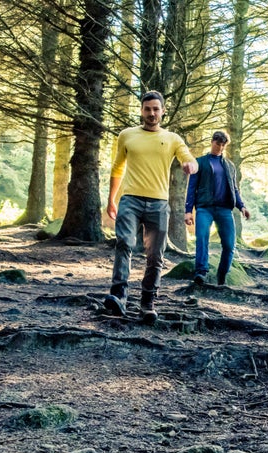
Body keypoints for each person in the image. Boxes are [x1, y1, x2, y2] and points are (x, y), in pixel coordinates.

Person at [103, 91, 199, 321]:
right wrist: (111, 199)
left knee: (155, 255)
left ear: (163, 111)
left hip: (158, 204)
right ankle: (119, 296)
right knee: (124, 243)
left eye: (156, 109)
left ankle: (148, 302)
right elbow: (117, 168)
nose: (152, 113)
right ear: (141, 110)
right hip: (130, 200)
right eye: (148, 109)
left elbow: (188, 158)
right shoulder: (127, 135)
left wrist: (190, 165)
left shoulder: (173, 138)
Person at [185, 131, 251, 286]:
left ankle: (222, 276)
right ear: (212, 142)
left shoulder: (229, 166)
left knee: (229, 245)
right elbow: (191, 188)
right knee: (202, 238)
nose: (220, 147)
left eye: (222, 145)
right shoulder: (199, 162)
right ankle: (201, 272)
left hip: (224, 210)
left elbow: (234, 189)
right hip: (204, 208)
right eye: (217, 143)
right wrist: (188, 211)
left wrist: (242, 206)